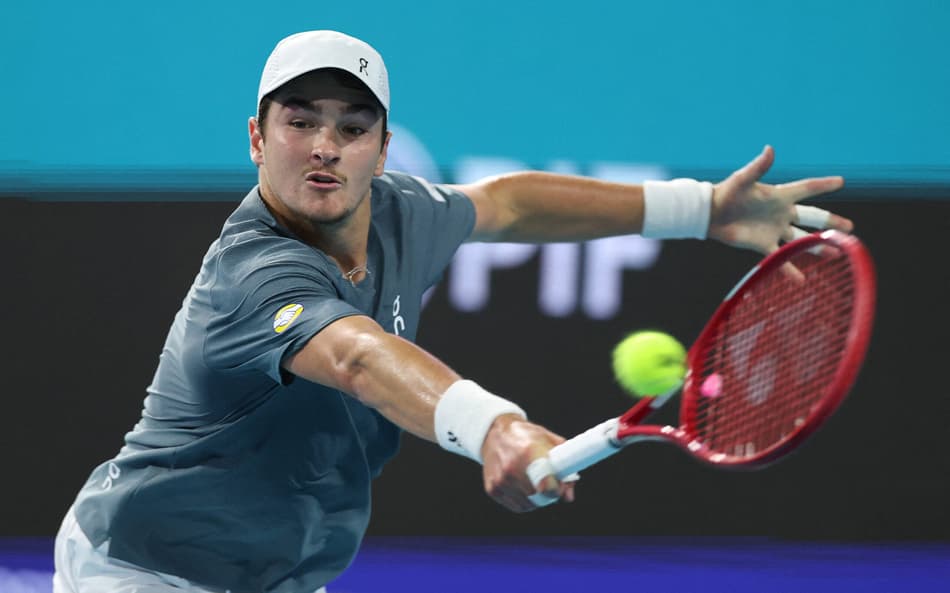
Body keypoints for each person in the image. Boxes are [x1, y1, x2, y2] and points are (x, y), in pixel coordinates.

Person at [53, 30, 853, 593]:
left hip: (281, 574)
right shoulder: (254, 272)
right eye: (300, 122)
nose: (325, 146)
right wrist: (497, 427)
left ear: (383, 146)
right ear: (258, 139)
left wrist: (701, 207)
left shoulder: (402, 211)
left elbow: (510, 204)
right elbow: (360, 356)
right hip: (143, 569)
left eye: (351, 127)